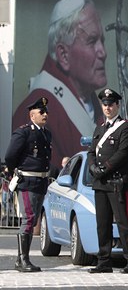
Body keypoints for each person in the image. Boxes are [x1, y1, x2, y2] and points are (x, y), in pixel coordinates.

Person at [12, 0, 107, 167]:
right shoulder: (35, 111)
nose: (103, 52)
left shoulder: (97, 106)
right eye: (92, 41)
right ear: (63, 54)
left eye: (102, 40)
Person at [87, 88, 128, 274]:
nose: (107, 108)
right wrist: (93, 167)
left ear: (117, 105)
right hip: (100, 183)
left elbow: (122, 153)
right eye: (105, 104)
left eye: (111, 104)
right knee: (102, 223)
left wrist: (104, 168)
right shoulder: (100, 128)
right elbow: (92, 152)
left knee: (124, 223)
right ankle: (104, 261)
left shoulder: (126, 126)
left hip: (118, 182)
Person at [4, 97, 52, 272]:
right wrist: (16, 171)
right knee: (28, 218)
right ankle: (23, 260)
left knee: (32, 220)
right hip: (27, 181)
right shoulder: (23, 132)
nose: (45, 115)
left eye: (46, 112)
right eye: (42, 112)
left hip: (40, 181)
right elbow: (10, 155)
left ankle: (20, 260)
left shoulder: (46, 133)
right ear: (32, 115)